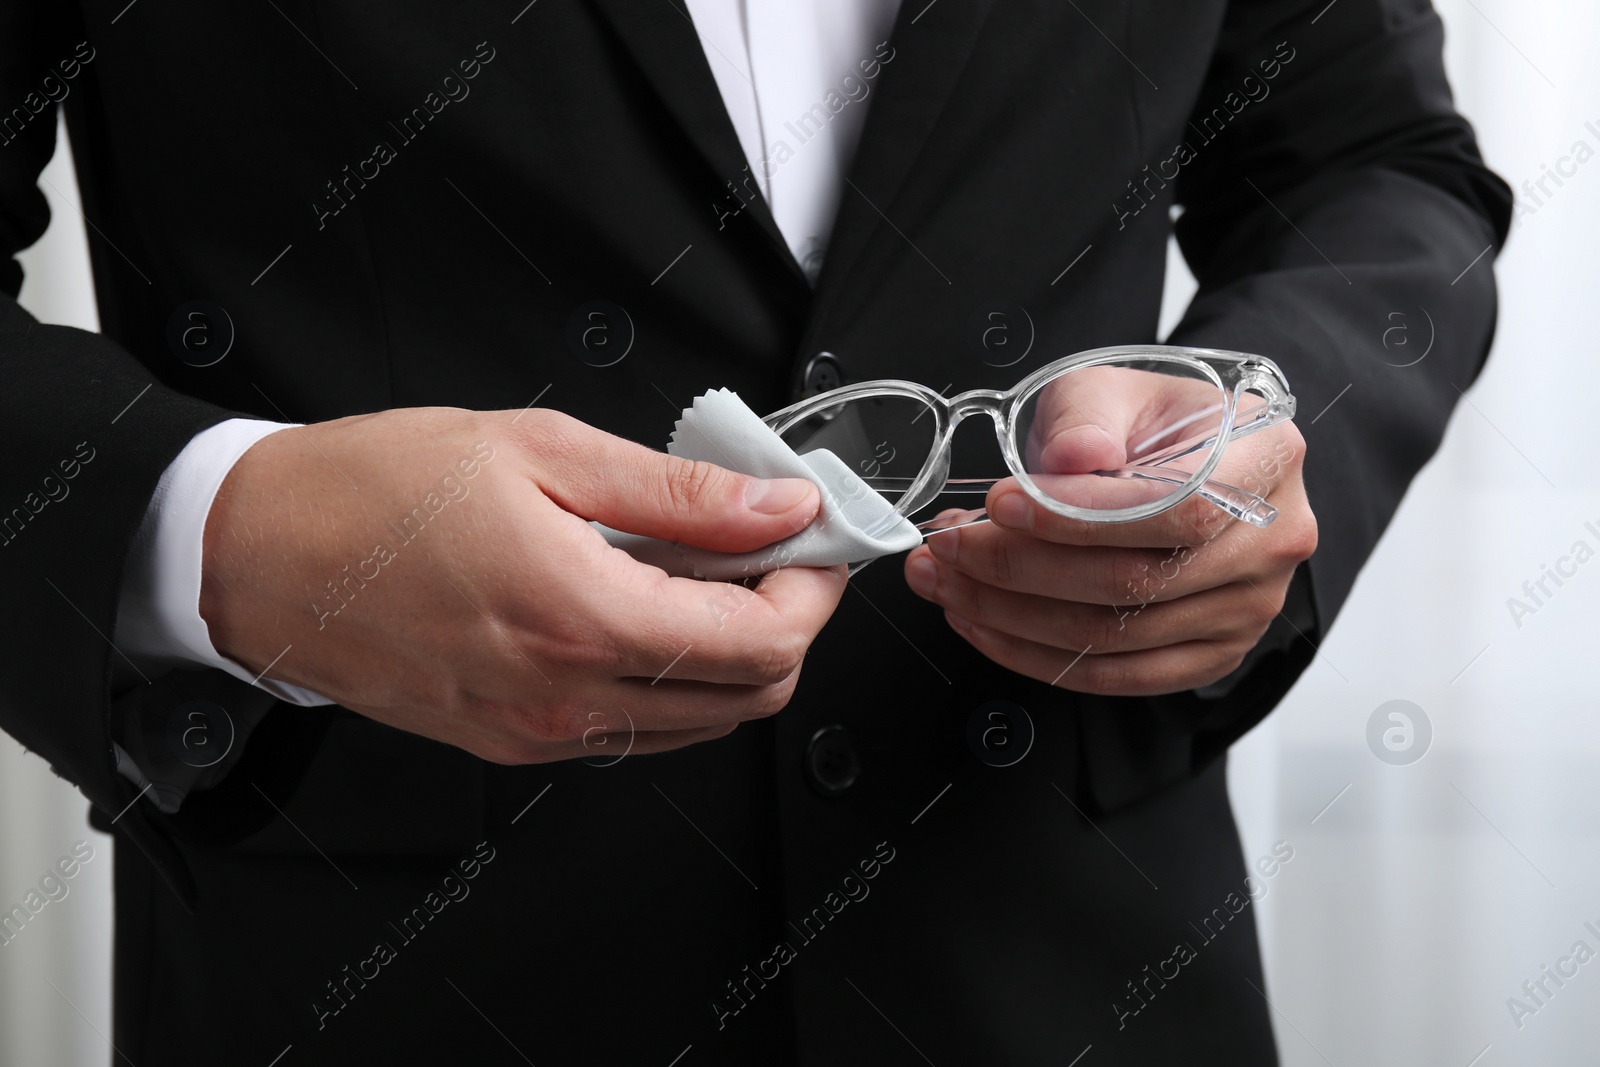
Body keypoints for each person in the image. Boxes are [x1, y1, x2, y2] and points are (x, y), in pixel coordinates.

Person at [0, 0, 1508, 1063]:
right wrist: (230, 538)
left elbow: (1373, 163)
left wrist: (1257, 419)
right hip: (379, 978)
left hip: (1070, 960)